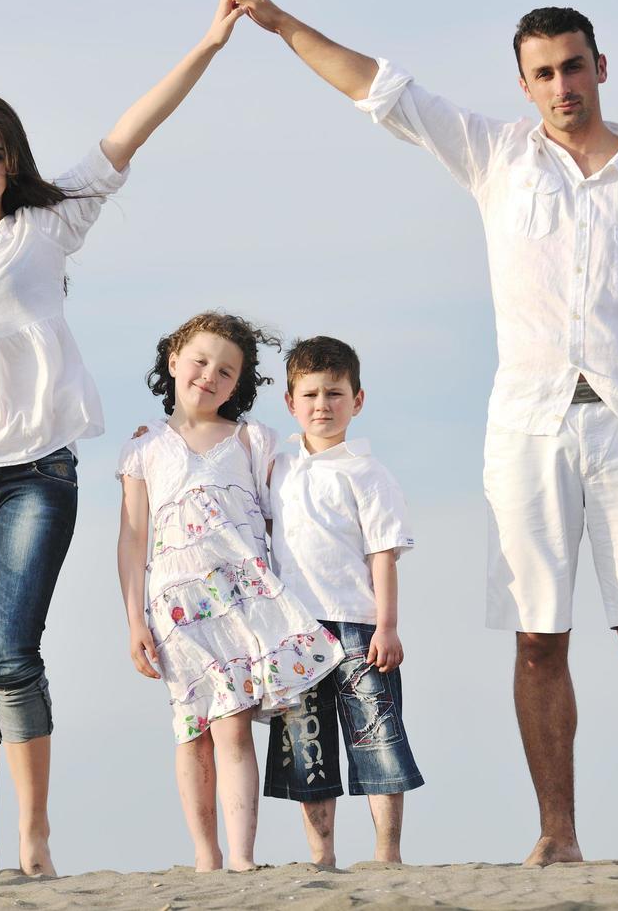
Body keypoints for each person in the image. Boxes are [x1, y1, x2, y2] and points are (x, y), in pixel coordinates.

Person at [211, 0, 618, 865]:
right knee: (540, 638)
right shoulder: (496, 155)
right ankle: (558, 833)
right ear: (524, 84)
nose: (562, 85)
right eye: (543, 73)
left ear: (601, 67)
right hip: (527, 429)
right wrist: (278, 22)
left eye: (574, 67)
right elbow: (382, 90)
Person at [0, 0, 248, 877]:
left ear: (12, 163)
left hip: (37, 474)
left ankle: (35, 837)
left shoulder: (47, 227)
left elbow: (130, 132)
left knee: (12, 654)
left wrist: (208, 42)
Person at [116, 312, 345, 872]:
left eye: (227, 370)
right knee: (192, 728)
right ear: (173, 361)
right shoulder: (143, 448)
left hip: (246, 604)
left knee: (234, 723)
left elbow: (285, 521)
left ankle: (241, 856)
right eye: (200, 361)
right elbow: (131, 540)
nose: (209, 376)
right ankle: (205, 855)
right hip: (177, 610)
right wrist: (134, 620)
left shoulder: (253, 439)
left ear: (239, 383)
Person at [262, 336, 422, 866]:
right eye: (309, 395)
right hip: (295, 631)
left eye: (334, 393)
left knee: (376, 736)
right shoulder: (277, 470)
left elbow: (384, 555)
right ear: (291, 402)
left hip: (358, 626)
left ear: (357, 399)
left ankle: (386, 853)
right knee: (306, 748)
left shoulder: (368, 474)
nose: (321, 406)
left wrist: (388, 626)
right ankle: (321, 857)